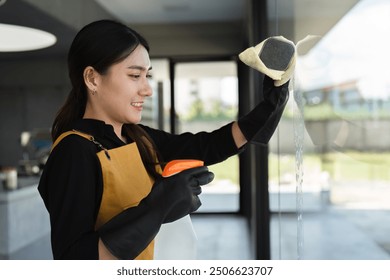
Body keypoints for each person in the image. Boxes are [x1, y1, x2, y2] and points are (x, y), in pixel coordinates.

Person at [37, 19, 290, 260]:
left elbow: (208, 145)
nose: (147, 89)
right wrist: (156, 208)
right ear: (92, 78)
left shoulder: (139, 138)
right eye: (135, 76)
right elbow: (74, 260)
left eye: (147, 75)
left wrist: (270, 105)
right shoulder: (73, 151)